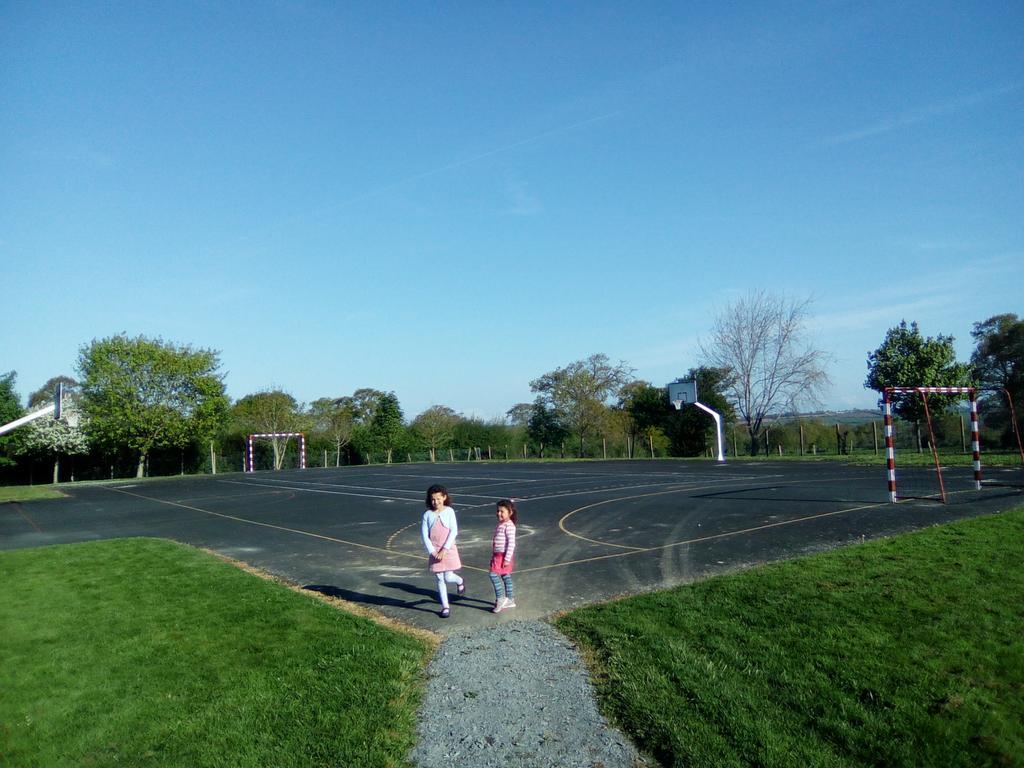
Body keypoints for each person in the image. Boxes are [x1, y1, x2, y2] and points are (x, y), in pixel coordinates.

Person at [421, 484, 464, 618]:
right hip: (435, 551)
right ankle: (445, 606)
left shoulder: (449, 511)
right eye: (433, 499)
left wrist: (444, 549)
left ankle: (460, 581)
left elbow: (454, 531)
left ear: (444, 497)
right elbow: (424, 535)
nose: (436, 502)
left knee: (448, 576)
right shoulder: (427, 515)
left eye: (438, 498)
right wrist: (432, 551)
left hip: (448, 548)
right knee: (440, 578)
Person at [489, 498, 518, 613]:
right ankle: (510, 600)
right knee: (505, 576)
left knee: (493, 575)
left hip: (503, 556)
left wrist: (506, 559)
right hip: (497, 555)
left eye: (502, 511)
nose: (499, 513)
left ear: (510, 513)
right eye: (498, 511)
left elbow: (511, 543)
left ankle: (500, 599)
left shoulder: (509, 526)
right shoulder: (501, 524)